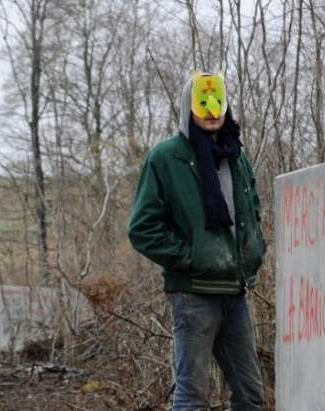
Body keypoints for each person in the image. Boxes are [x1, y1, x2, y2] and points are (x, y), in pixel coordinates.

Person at [127, 72, 266, 410]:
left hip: (235, 291)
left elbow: (253, 211)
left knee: (250, 395)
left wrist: (254, 249)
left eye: (217, 100)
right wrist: (189, 257)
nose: (210, 109)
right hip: (193, 294)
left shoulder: (236, 155)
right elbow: (142, 228)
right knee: (193, 396)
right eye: (202, 101)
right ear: (187, 106)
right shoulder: (165, 158)